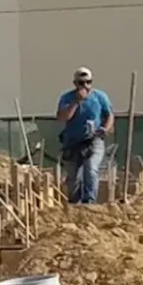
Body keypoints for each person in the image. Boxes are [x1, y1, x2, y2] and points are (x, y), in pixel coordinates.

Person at [56, 67, 115, 204]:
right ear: (75, 83)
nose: (85, 86)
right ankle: (74, 203)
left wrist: (105, 128)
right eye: (81, 83)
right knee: (73, 176)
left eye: (88, 82)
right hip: (73, 141)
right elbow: (63, 117)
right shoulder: (67, 98)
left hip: (93, 140)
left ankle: (89, 201)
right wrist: (76, 102)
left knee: (91, 169)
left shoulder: (100, 97)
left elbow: (109, 115)